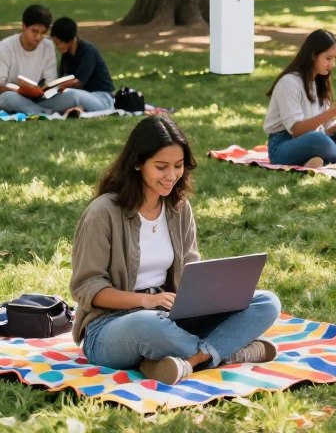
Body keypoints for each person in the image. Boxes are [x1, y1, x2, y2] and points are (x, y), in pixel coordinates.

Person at [70, 116, 281, 385]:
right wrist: (145, 301)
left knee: (267, 302)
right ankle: (226, 351)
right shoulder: (103, 213)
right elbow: (87, 287)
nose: (171, 176)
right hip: (113, 325)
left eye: (178, 166)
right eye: (161, 167)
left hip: (172, 314)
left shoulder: (178, 209)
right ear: (137, 163)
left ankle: (185, 361)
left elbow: (191, 269)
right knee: (150, 326)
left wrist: (211, 297)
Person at [264, 29, 336, 169]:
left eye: (335, 58)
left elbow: (327, 130)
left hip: (319, 141)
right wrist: (332, 112)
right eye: (328, 58)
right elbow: (296, 131)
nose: (333, 65)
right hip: (284, 146)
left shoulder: (319, 82)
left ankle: (325, 159)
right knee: (318, 139)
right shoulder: (289, 83)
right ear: (313, 55)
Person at [43, 17, 116, 114]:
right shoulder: (67, 54)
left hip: (101, 97)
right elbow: (63, 77)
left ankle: (75, 108)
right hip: (83, 95)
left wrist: (56, 87)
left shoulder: (88, 51)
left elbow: (78, 82)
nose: (57, 47)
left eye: (58, 43)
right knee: (65, 95)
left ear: (68, 40)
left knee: (72, 94)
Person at [0, 4, 58, 114]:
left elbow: (51, 80)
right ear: (24, 26)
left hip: (40, 98)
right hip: (12, 96)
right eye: (34, 31)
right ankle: (42, 112)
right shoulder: (5, 47)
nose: (38, 37)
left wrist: (43, 92)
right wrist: (20, 91)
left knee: (71, 95)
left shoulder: (48, 46)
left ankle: (39, 110)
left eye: (43, 33)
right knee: (9, 97)